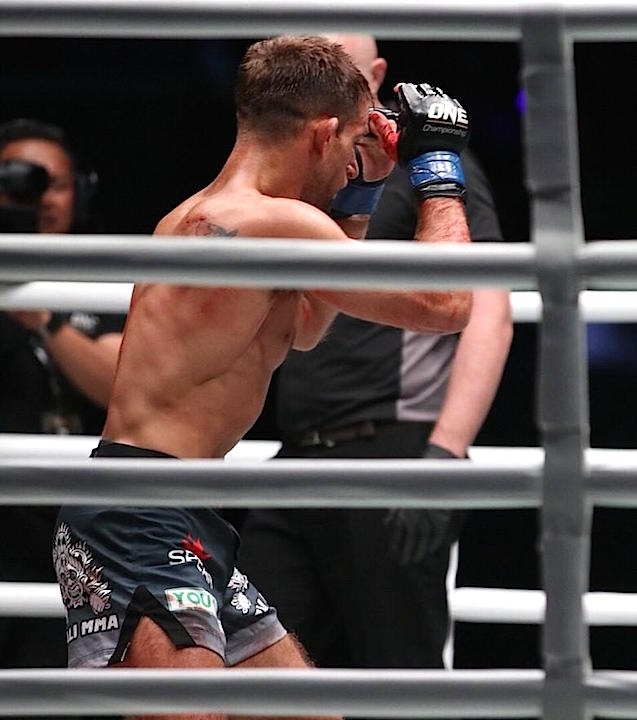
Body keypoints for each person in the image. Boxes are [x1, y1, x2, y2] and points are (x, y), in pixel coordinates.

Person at [50, 35, 473, 712]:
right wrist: (441, 168)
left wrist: (363, 194)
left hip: (175, 511)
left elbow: (303, 329)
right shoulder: (275, 224)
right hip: (141, 514)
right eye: (350, 147)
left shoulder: (197, 217)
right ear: (322, 133)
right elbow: (447, 304)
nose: (350, 163)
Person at [237, 33, 512, 674]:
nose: (322, 73)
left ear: (376, 73)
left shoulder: (428, 162)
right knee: (253, 664)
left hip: (391, 449)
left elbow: (487, 310)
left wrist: (445, 456)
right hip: (298, 453)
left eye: (338, 61)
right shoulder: (298, 165)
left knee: (398, 675)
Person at [0, 119, 123, 682]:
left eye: (54, 183)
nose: (39, 198)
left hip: (81, 531)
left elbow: (118, 382)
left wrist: (43, 319)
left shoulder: (102, 281)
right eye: (19, 180)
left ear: (81, 191)